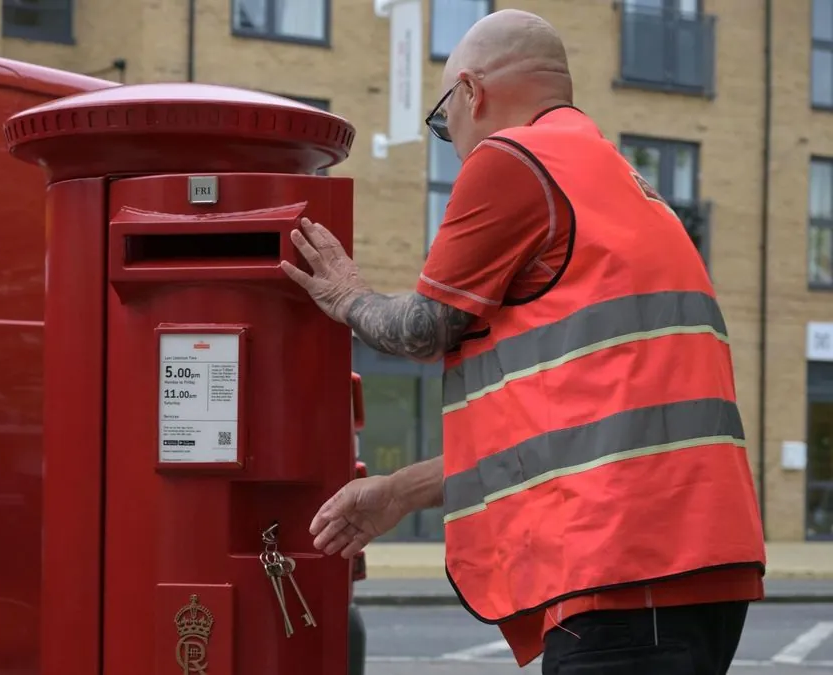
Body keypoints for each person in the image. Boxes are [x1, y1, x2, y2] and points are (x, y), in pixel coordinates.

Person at [281, 8, 767, 674]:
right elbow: (557, 440)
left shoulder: (512, 160)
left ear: (471, 94)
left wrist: (347, 296)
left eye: (442, 120)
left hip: (624, 564)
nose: (452, 143)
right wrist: (397, 493)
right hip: (695, 561)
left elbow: (424, 328)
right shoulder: (618, 180)